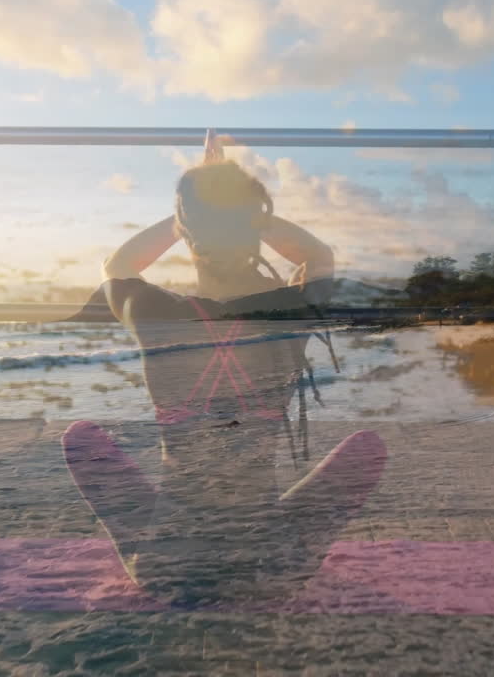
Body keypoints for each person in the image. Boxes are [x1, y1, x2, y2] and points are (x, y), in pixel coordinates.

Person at [63, 136, 386, 609]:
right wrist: (243, 213)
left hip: (168, 569)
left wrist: (188, 216)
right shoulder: (285, 312)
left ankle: (148, 542)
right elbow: (317, 257)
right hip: (270, 568)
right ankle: (277, 547)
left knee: (81, 439)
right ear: (255, 231)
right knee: (367, 451)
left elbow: (118, 266)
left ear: (188, 235)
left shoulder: (159, 313)